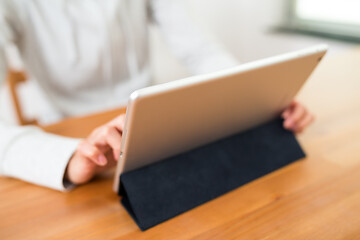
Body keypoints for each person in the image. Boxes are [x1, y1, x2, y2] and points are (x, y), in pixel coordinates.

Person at [0, 0, 314, 191]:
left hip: (150, 132)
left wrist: (258, 99)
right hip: (68, 143)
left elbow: (200, 48)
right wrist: (68, 159)